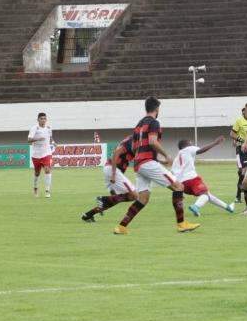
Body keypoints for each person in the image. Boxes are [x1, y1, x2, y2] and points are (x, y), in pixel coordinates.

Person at [114, 97, 198, 235]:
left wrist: (155, 160)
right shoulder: (154, 122)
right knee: (179, 186)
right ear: (157, 108)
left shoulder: (138, 125)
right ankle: (182, 224)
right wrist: (166, 155)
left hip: (139, 164)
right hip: (147, 163)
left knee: (143, 198)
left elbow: (135, 148)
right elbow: (153, 142)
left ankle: (121, 226)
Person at [171, 135, 234, 217]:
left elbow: (172, 175)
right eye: (190, 143)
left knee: (208, 195)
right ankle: (196, 206)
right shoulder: (188, 148)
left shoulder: (176, 159)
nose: (192, 144)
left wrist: (177, 191)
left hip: (181, 185)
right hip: (192, 179)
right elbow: (200, 150)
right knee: (205, 195)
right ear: (187, 144)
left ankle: (228, 207)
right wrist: (215, 143)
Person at [81, 135, 138, 222]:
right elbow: (115, 154)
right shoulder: (131, 141)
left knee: (113, 200)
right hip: (113, 170)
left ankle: (88, 215)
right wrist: (114, 174)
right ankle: (102, 199)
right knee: (134, 195)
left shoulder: (132, 140)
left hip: (110, 169)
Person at [229, 102, 247, 205]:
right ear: (245, 110)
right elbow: (232, 134)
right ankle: (239, 195)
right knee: (243, 172)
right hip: (243, 149)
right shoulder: (239, 121)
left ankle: (246, 186)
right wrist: (242, 140)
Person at [27, 112, 55, 198]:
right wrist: (38, 138)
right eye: (41, 119)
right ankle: (35, 188)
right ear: (38, 120)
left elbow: (50, 138)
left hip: (46, 153)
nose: (43, 120)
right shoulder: (34, 128)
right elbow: (29, 140)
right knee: (37, 173)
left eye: (44, 119)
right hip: (36, 154)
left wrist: (54, 142)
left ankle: (47, 190)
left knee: (47, 170)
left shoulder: (49, 128)